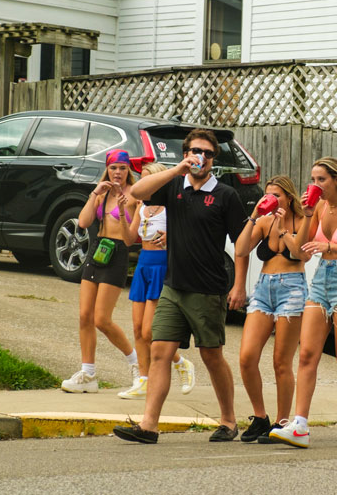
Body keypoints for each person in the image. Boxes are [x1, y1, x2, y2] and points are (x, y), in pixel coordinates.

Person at [112, 129, 249, 444]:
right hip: (173, 286)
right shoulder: (174, 184)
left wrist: (239, 285)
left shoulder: (226, 195)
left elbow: (241, 245)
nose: (201, 157)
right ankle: (149, 425)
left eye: (207, 153)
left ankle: (228, 420)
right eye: (195, 151)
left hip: (208, 288)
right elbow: (138, 193)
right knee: (160, 351)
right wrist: (177, 169)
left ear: (214, 159)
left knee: (211, 355)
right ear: (186, 153)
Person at [269, 157, 337, 448]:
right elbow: (302, 253)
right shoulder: (319, 208)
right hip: (321, 279)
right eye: (313, 180)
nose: (315, 185)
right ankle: (299, 424)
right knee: (307, 355)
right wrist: (304, 215)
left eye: (321, 180)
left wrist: (329, 245)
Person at [234, 176, 311, 442]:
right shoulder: (263, 221)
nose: (271, 199)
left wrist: (283, 231)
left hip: (292, 288)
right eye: (268, 194)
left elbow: (302, 254)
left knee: (281, 361)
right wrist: (256, 214)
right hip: (264, 289)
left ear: (289, 198)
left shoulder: (303, 221)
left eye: (276, 195)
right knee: (246, 357)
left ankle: (282, 421)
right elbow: (241, 249)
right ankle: (260, 416)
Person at [61, 150, 141, 393]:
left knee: (102, 319)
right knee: (85, 315)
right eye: (114, 168)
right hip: (98, 250)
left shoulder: (135, 195)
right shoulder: (101, 192)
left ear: (129, 171)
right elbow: (84, 223)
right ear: (107, 169)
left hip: (117, 252)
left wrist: (122, 204)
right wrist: (96, 193)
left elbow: (130, 239)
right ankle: (88, 373)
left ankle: (136, 363)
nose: (118, 173)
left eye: (123, 168)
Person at [117, 161, 196, 400]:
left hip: (163, 265)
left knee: (151, 330)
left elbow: (191, 232)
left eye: (148, 178)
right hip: (144, 264)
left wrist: (171, 235)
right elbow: (130, 239)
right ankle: (143, 379)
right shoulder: (142, 206)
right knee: (138, 330)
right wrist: (122, 212)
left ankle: (181, 363)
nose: (143, 183)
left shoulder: (173, 206)